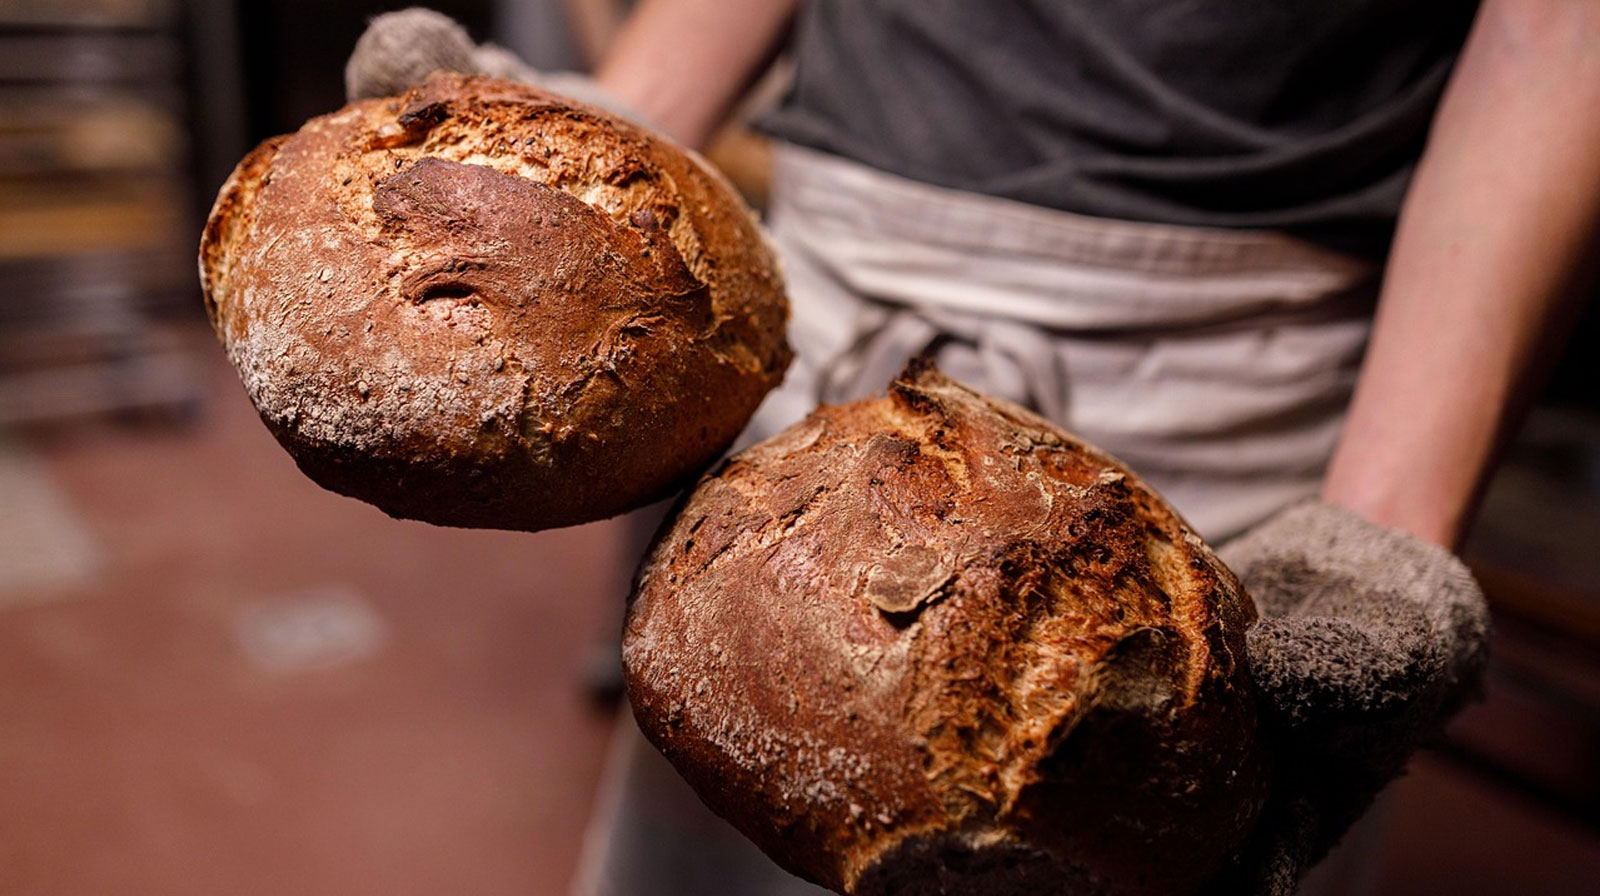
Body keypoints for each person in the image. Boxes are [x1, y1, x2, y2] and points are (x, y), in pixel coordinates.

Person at [345, 1, 1599, 892]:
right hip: (822, 361)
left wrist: (1381, 521)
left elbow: (1554, 30)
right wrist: (628, 133)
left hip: (1225, 408)